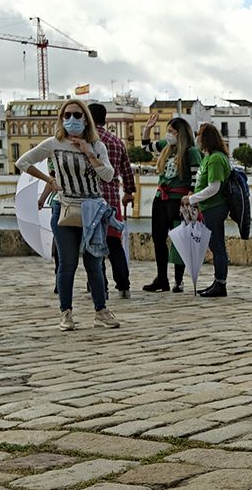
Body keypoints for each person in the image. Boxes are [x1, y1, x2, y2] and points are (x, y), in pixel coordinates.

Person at [17, 99, 119, 330]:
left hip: (92, 210)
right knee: (67, 263)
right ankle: (66, 313)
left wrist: (89, 153)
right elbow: (23, 162)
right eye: (67, 115)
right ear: (62, 119)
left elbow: (108, 176)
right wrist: (49, 180)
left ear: (85, 119)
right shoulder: (54, 143)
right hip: (64, 208)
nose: (71, 120)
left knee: (94, 263)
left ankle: (101, 310)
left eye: (76, 115)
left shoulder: (97, 145)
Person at [140, 113, 201, 293]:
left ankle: (178, 280)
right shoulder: (167, 146)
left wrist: (190, 196)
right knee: (158, 238)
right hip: (161, 198)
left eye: (172, 132)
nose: (169, 135)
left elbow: (195, 176)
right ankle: (161, 278)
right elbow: (146, 147)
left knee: (179, 239)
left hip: (178, 200)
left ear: (180, 134)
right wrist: (148, 128)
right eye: (168, 131)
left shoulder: (191, 152)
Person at [87, 103, 135, 299]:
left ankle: (100, 286)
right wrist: (130, 191)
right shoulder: (117, 142)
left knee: (94, 244)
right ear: (105, 120)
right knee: (114, 242)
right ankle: (124, 285)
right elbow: (127, 170)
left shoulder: (86, 142)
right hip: (113, 197)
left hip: (91, 197)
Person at [183, 123, 233, 297]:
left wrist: (192, 199)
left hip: (215, 208)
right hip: (208, 208)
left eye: (199, 136)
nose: (197, 139)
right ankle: (217, 281)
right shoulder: (208, 158)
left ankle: (221, 283)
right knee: (214, 245)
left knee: (218, 246)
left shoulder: (216, 159)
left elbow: (214, 187)